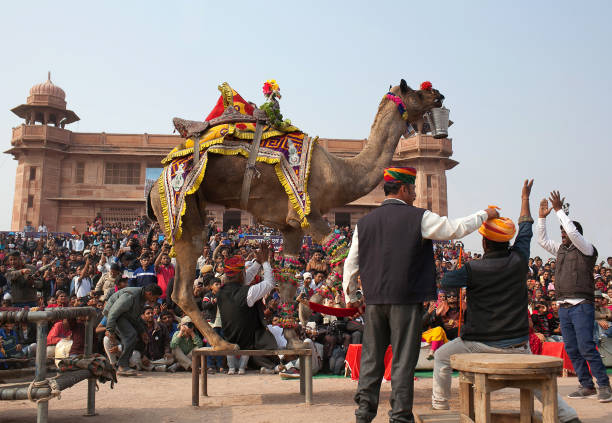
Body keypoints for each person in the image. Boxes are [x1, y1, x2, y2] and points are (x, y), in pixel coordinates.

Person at [342, 166, 500, 423]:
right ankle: (400, 417)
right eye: (413, 188)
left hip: (374, 303)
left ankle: (363, 415)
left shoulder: (365, 223)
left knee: (371, 360)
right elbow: (454, 229)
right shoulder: (419, 217)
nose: (415, 194)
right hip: (405, 301)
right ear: (403, 189)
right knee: (403, 362)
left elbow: (351, 263)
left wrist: (352, 297)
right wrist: (485, 214)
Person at [431, 180, 580, 422]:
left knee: (441, 357)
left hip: (482, 344)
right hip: (520, 343)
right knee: (537, 384)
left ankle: (439, 408)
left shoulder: (472, 268)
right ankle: (567, 416)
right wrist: (525, 198)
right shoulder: (519, 259)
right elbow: (526, 228)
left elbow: (446, 281)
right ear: (507, 241)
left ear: (484, 242)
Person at [538, 191, 611, 402]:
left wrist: (559, 211)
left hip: (581, 304)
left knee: (587, 346)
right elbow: (542, 240)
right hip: (564, 306)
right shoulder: (560, 250)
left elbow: (573, 232)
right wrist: (542, 218)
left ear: (576, 235)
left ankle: (604, 385)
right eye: (561, 234)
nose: (562, 236)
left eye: (565, 233)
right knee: (571, 348)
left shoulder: (587, 249)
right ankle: (586, 385)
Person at [217, 243, 281, 373]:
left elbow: (243, 279)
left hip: (230, 338)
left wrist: (257, 262)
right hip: (248, 341)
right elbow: (270, 283)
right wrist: (265, 262)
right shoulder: (247, 293)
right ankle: (277, 364)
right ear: (241, 274)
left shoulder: (221, 291)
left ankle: (269, 365)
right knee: (275, 333)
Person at [103, 284, 162, 376]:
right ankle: (122, 366)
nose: (156, 300)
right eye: (155, 297)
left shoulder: (142, 298)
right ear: (149, 294)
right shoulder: (130, 296)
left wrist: (142, 332)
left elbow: (136, 317)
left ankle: (123, 365)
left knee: (132, 336)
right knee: (131, 335)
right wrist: (110, 329)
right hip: (115, 315)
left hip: (124, 315)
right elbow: (113, 312)